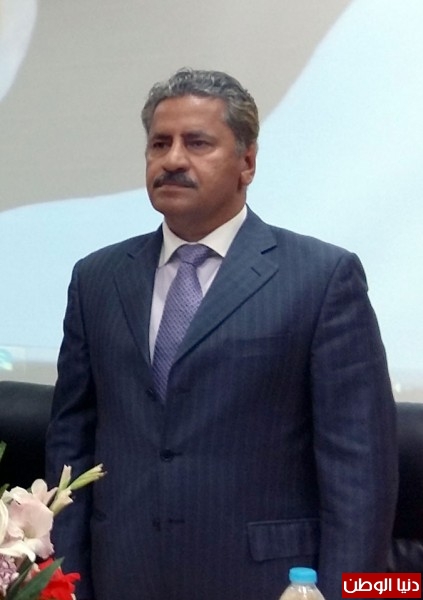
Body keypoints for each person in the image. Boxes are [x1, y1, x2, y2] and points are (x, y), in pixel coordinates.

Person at [45, 68, 398, 600]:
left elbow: (360, 468)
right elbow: (70, 442)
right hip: (123, 574)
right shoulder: (97, 277)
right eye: (159, 143)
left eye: (197, 143)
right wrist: (63, 583)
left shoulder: (321, 277)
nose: (172, 159)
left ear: (247, 162)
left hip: (267, 582)